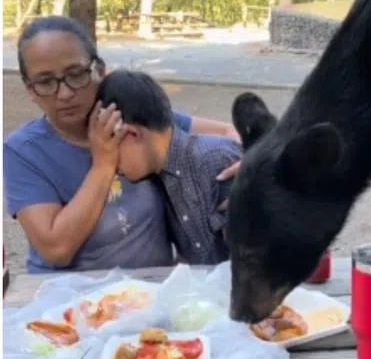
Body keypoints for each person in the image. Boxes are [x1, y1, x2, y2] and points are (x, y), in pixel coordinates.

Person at [4, 16, 242, 273]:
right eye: (45, 82)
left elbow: (229, 131)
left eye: (76, 74)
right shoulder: (23, 152)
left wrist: (251, 163)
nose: (65, 93)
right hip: (70, 301)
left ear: (100, 70)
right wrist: (103, 165)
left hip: (151, 293)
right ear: (30, 90)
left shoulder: (130, 117)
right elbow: (56, 250)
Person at [97, 70, 242, 265]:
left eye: (110, 149)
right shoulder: (161, 178)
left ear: (131, 134)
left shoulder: (216, 161)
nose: (112, 166)